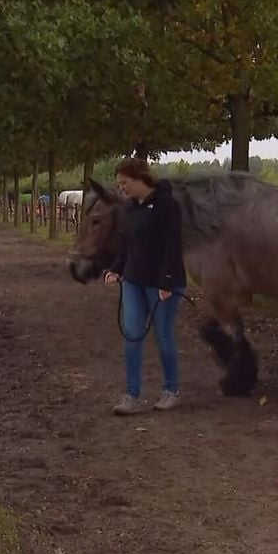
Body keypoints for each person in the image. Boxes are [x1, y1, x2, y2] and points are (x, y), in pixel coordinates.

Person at [104, 157, 187, 415]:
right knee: (131, 335)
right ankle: (131, 394)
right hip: (133, 281)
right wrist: (117, 269)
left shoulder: (167, 205)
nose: (122, 188)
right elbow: (126, 244)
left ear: (139, 178)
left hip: (162, 283)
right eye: (119, 184)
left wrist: (168, 280)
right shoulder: (128, 209)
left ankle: (171, 390)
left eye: (125, 182)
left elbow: (173, 245)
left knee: (163, 336)